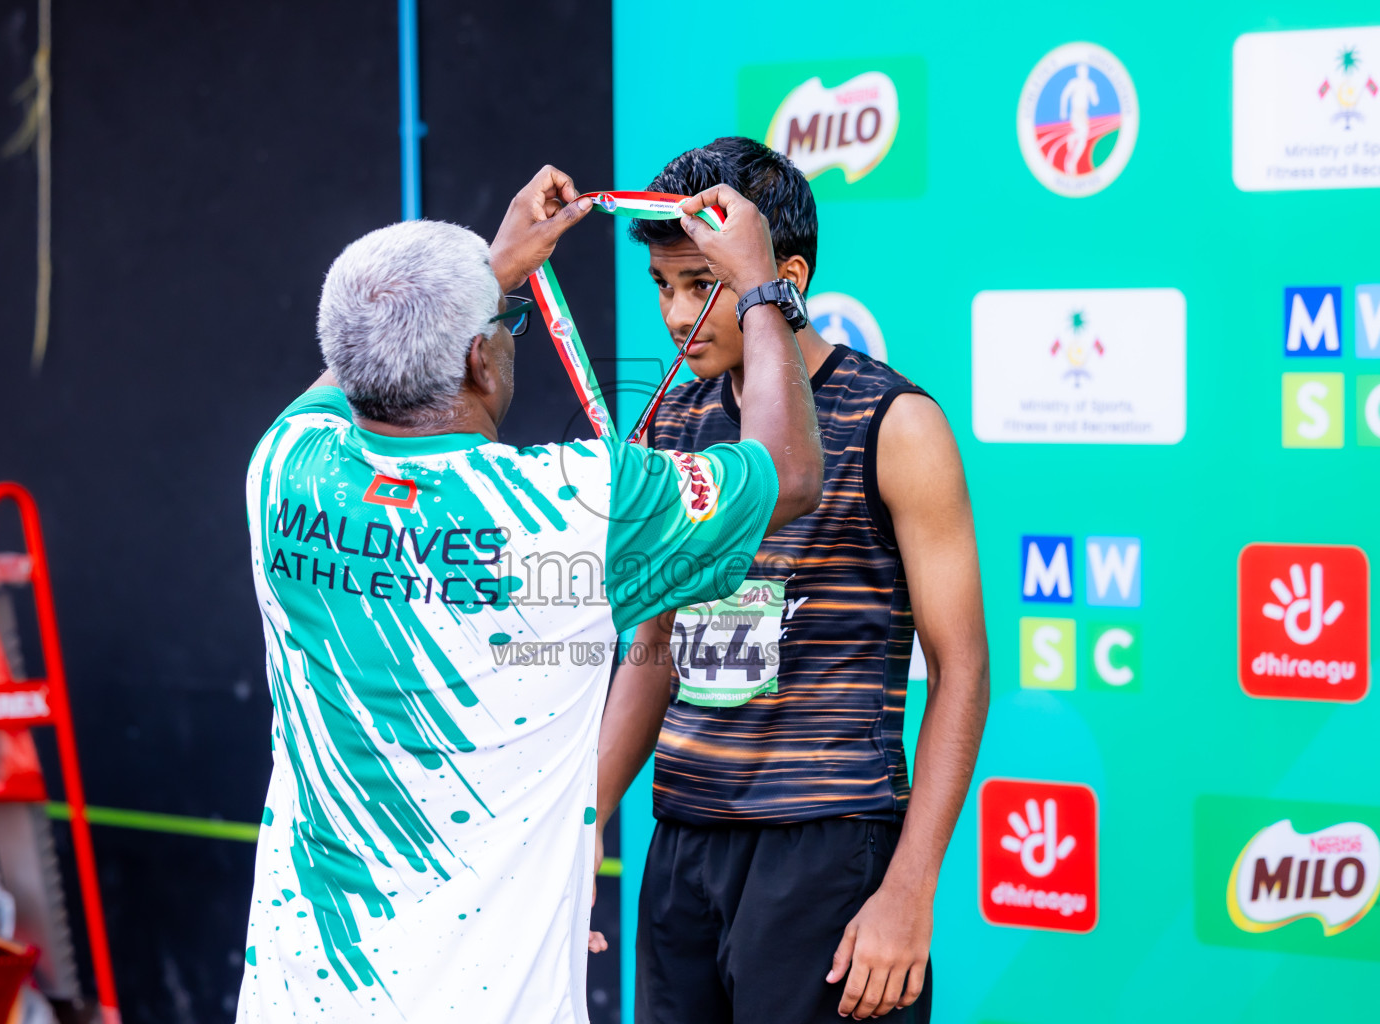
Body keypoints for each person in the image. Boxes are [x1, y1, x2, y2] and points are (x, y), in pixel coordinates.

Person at [235, 165, 823, 1023]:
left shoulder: (283, 472)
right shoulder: (578, 503)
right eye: (507, 325)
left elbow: (344, 376)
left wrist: (494, 275)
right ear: (481, 359)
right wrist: (762, 283)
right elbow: (793, 473)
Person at [593, 138, 990, 1022]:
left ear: (785, 276)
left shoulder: (899, 423)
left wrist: (909, 891)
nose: (674, 316)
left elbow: (962, 672)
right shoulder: (668, 422)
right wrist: (584, 825)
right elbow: (649, 647)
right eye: (662, 288)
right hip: (682, 849)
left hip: (828, 850)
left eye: (704, 285)